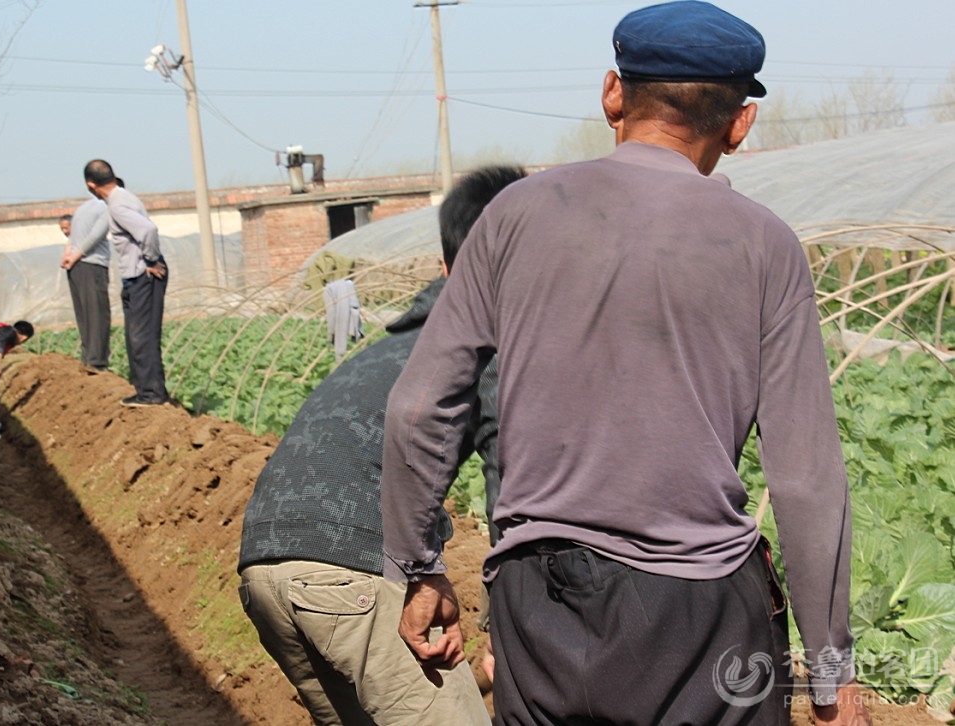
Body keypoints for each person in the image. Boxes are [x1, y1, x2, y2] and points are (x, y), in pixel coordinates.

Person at [379, 3, 870, 725]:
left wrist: (418, 569)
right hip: (694, 610)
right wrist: (829, 671)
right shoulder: (762, 244)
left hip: (535, 601)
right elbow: (804, 474)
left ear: (612, 93)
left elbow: (417, 409)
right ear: (738, 124)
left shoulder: (512, 216)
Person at [238, 165, 525, 726]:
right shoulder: (483, 346)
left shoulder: (390, 346)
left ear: (446, 266)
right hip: (353, 570)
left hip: (263, 566)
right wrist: (507, 630)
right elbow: (510, 498)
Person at [83, 160, 168, 406]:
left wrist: (151, 261)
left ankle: (151, 394)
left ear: (91, 185)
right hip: (136, 276)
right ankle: (147, 390)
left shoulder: (118, 205)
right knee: (137, 336)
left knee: (142, 336)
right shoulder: (123, 198)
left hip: (144, 275)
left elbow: (148, 231)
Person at [60, 194, 112, 372]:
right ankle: (97, 362)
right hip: (92, 264)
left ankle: (87, 357)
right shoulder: (107, 208)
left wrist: (68, 255)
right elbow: (96, 235)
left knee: (84, 315)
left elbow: (73, 236)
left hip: (76, 268)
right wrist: (75, 255)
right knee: (98, 314)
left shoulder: (83, 208)